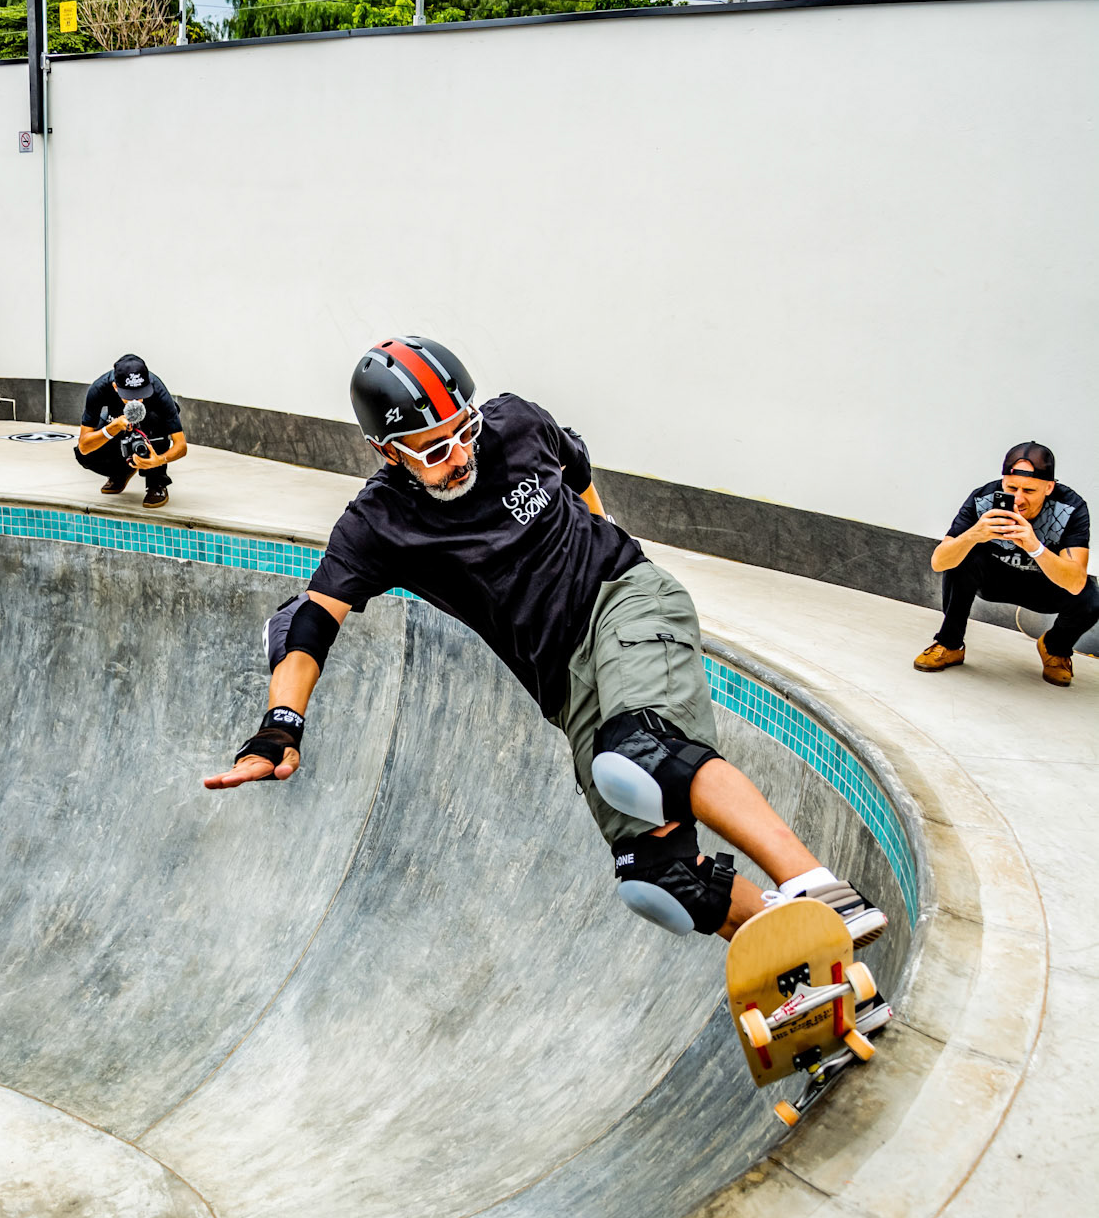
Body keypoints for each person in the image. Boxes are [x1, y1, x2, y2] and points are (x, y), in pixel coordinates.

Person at [205, 335, 888, 948]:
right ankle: (810, 955)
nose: (460, 457)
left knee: (644, 753)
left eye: (464, 431)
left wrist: (607, 540)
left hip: (622, 601)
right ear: (388, 452)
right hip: (565, 683)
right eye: (435, 450)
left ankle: (818, 888)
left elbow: (576, 467)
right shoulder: (378, 524)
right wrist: (280, 725)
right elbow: (311, 621)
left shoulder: (517, 424)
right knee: (659, 877)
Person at [914, 442, 1096, 688]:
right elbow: (939, 563)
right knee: (960, 554)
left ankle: (1054, 648)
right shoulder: (983, 499)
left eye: (1029, 490)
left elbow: (1075, 583)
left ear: (1049, 487)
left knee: (1090, 599)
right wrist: (974, 535)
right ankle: (950, 643)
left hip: (1044, 585)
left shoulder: (1070, 508)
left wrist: (1035, 546)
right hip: (993, 579)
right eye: (1011, 488)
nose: (1018, 499)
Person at [74, 354, 188, 510]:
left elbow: (181, 446)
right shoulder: (99, 388)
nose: (136, 401)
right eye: (129, 397)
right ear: (116, 387)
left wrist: (159, 460)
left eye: (141, 394)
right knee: (84, 456)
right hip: (115, 424)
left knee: (157, 419)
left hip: (151, 427)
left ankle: (156, 482)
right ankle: (121, 472)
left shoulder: (158, 389)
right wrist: (112, 428)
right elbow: (84, 446)